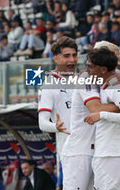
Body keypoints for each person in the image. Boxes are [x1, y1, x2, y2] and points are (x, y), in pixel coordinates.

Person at [83, 47, 120, 190]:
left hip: (111, 157)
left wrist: (101, 115)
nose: (87, 70)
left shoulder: (117, 86)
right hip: (109, 155)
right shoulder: (108, 86)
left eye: (91, 66)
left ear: (103, 70)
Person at [38, 37, 78, 189]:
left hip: (92, 148)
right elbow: (42, 123)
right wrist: (57, 127)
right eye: (66, 56)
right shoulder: (49, 85)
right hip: (69, 152)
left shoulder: (83, 81)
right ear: (56, 58)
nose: (72, 60)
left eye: (74, 55)